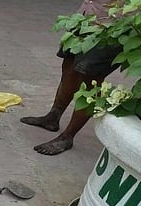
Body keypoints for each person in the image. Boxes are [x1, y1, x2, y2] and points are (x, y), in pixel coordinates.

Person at [21, 0, 123, 155]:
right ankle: (53, 117)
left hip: (111, 28)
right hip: (85, 16)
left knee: (91, 82)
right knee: (69, 68)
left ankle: (68, 136)